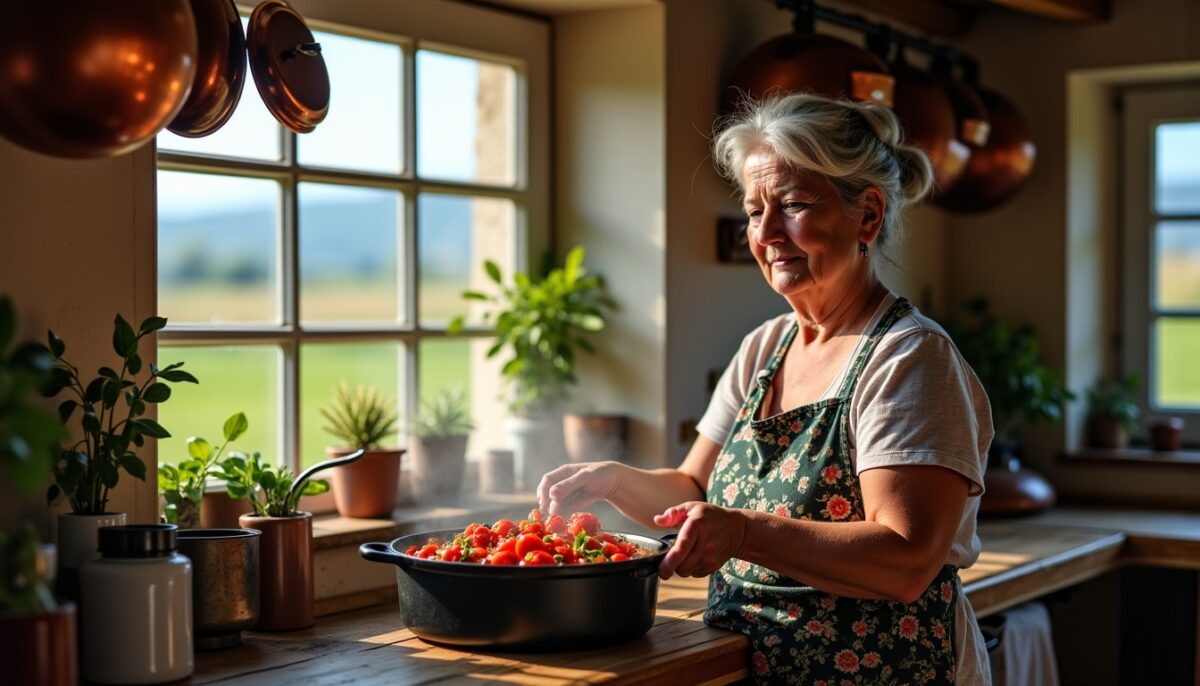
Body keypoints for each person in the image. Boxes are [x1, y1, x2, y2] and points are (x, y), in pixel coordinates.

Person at [538, 93, 993, 685]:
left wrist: (743, 532)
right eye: (755, 211)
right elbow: (694, 488)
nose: (769, 232)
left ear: (868, 216)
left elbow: (904, 559)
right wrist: (614, 481)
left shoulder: (909, 358)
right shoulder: (765, 347)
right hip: (750, 665)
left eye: (795, 205)